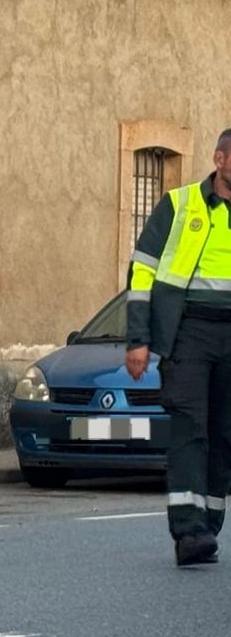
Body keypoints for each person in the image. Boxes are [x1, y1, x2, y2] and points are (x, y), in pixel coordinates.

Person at [127, 129, 231, 567]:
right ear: (220, 160)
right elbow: (142, 273)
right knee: (191, 427)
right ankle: (189, 531)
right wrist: (138, 339)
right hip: (189, 331)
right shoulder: (179, 204)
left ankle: (209, 524)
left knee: (225, 433)